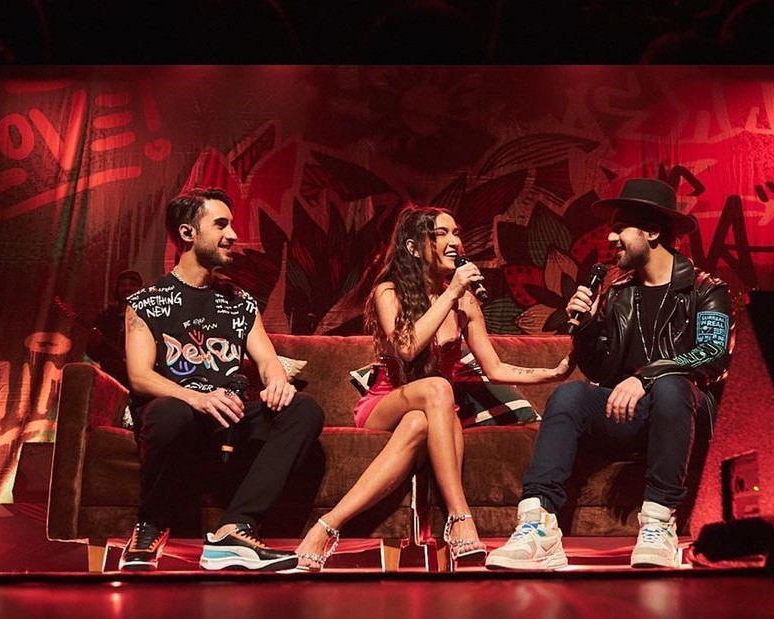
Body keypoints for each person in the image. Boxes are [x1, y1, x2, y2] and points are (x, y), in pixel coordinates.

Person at [293, 204, 572, 570]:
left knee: (422, 421)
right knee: (440, 387)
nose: (455, 242)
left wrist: (551, 372)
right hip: (385, 402)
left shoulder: (465, 301)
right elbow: (407, 348)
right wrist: (450, 293)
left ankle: (328, 525)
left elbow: (495, 367)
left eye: (457, 233)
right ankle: (460, 517)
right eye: (442, 234)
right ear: (413, 247)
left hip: (434, 413)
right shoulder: (388, 292)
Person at [486, 178, 734, 570]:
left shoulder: (707, 290)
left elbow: (712, 355)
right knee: (569, 396)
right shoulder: (618, 292)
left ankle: (658, 524)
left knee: (671, 386)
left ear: (652, 232)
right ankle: (539, 527)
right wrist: (585, 327)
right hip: (631, 414)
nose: (612, 237)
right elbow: (603, 370)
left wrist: (646, 376)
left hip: (687, 413)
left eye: (621, 228)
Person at [119, 187, 324, 571]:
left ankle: (236, 528)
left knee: (304, 409)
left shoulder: (238, 300)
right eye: (221, 225)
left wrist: (278, 380)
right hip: (181, 417)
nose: (232, 235)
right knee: (169, 413)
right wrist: (195, 397)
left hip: (231, 417)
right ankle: (150, 525)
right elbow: (139, 376)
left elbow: (266, 359)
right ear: (187, 233)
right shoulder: (146, 303)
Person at [86, 269, 143, 389]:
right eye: (123, 285)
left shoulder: (148, 314)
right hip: (111, 378)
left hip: (139, 378)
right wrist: (93, 343)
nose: (127, 288)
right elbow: (94, 354)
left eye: (132, 285)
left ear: (140, 288)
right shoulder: (106, 315)